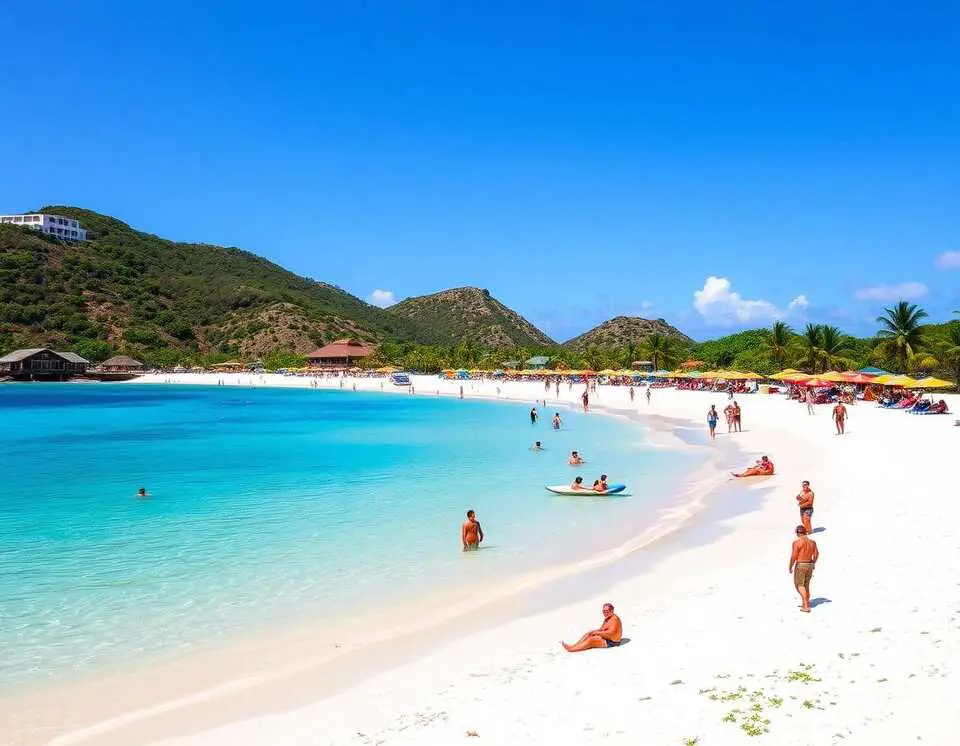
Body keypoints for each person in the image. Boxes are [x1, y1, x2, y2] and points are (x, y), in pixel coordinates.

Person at [789, 525, 819, 612]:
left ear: (798, 533)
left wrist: (790, 566)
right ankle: (806, 603)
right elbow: (816, 554)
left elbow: (794, 556)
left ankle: (806, 606)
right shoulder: (812, 542)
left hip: (801, 564)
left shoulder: (796, 543)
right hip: (809, 564)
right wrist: (813, 562)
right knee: (806, 584)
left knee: (799, 585)